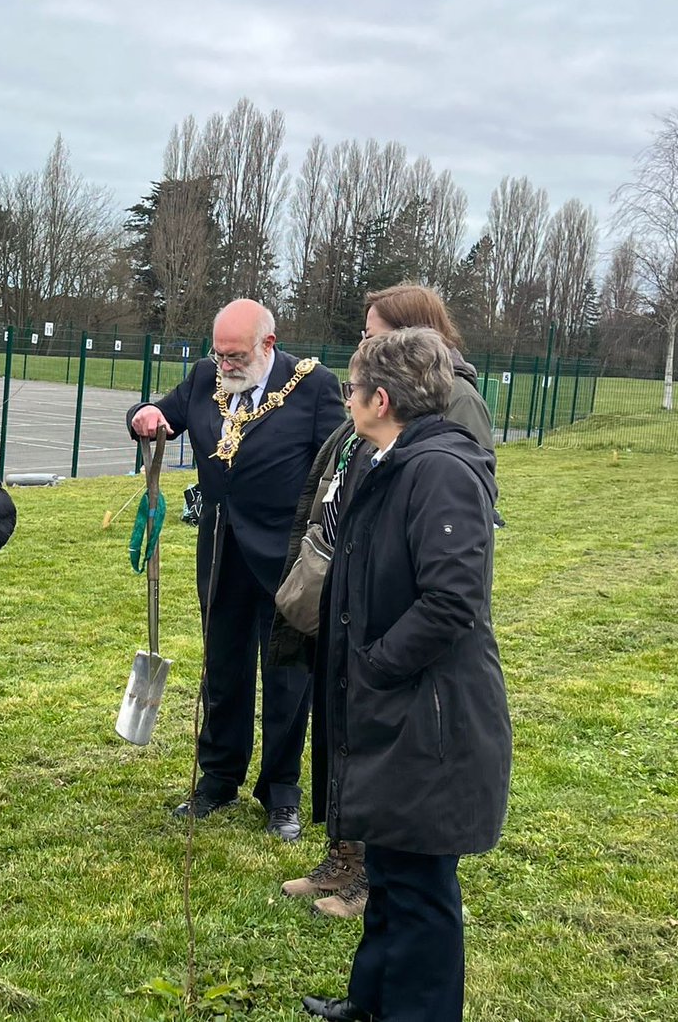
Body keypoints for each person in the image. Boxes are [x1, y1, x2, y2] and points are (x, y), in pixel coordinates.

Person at [300, 326, 511, 1022]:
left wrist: (376, 664)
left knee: (420, 887)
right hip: (393, 710)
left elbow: (452, 599)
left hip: (431, 718)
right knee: (390, 872)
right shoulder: (384, 457)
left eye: (351, 388)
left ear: (380, 397)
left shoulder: (441, 470)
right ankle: (373, 1002)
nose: (347, 400)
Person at [275, 283, 496, 918]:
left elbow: (453, 567)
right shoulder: (376, 415)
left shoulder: (446, 428)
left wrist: (374, 660)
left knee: (397, 767)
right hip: (353, 596)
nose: (363, 342)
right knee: (348, 734)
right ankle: (346, 857)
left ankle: (374, 874)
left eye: (372, 332)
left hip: (397, 625)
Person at [127, 299, 344, 841]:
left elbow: (334, 468)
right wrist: (143, 416)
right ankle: (217, 781)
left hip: (288, 555)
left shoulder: (313, 385)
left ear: (268, 345)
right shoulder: (204, 377)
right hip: (221, 548)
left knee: (287, 673)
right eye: (218, 353)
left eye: (236, 355)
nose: (224, 364)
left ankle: (281, 795)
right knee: (222, 667)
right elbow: (163, 414)